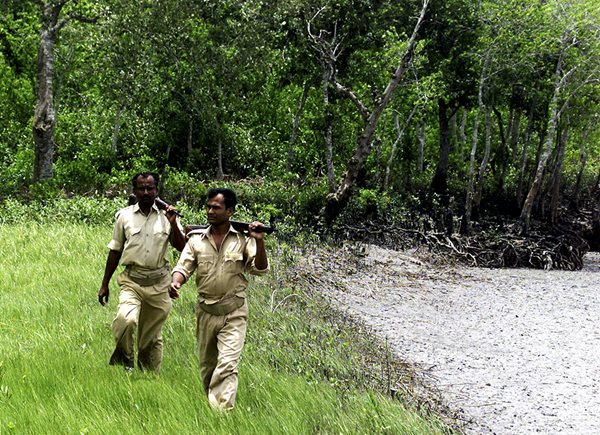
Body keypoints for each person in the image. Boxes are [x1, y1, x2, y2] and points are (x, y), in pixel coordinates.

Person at [169, 188, 269, 410]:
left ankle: (221, 415)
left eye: (216, 207)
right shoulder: (196, 239)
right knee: (208, 367)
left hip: (234, 313)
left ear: (230, 211)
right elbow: (183, 267)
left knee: (227, 365)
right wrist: (175, 282)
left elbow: (260, 269)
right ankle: (211, 406)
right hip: (206, 312)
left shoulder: (243, 240)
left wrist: (259, 241)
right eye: (208, 207)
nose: (210, 211)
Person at [98, 171, 185, 372]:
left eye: (150, 188)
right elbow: (115, 250)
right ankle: (126, 362)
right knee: (125, 321)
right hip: (132, 281)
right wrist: (104, 284)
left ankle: (148, 378)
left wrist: (173, 223)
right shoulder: (124, 216)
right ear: (134, 191)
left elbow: (182, 247)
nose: (146, 192)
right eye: (141, 188)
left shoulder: (168, 216)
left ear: (156, 190)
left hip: (159, 283)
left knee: (150, 339)